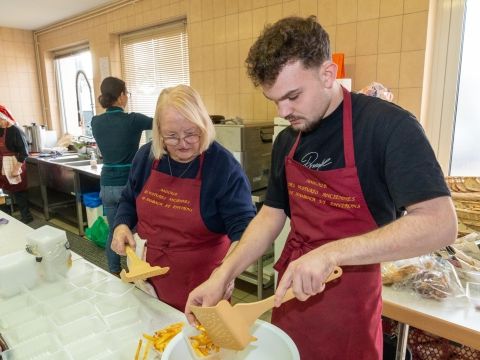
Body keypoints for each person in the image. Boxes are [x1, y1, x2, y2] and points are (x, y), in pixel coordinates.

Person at [185, 16, 457, 360]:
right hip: (291, 294)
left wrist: (330, 253)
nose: (284, 111)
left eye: (293, 96)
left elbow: (440, 223)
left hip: (350, 300)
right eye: (275, 100)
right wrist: (224, 273)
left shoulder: (387, 127)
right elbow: (271, 216)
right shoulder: (287, 140)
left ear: (328, 74)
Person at [110, 84, 256, 311]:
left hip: (203, 291)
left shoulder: (222, 167)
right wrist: (121, 225)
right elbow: (129, 198)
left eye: (191, 133)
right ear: (158, 132)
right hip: (147, 284)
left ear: (203, 125)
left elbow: (245, 230)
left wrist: (228, 272)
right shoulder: (146, 157)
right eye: (171, 136)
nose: (183, 144)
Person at [91, 76, 153, 275]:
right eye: (126, 93)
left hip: (107, 183)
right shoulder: (133, 120)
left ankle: (114, 272)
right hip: (129, 184)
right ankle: (135, 274)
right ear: (120, 97)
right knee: (133, 233)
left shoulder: (96, 121)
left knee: (114, 231)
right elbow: (161, 123)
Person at [0, 105, 33, 223]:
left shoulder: (16, 131)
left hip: (15, 162)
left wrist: (16, 168)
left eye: (0, 120)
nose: (0, 123)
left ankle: (26, 217)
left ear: (6, 118)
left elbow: (24, 153)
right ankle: (7, 216)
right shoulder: (1, 129)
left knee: (19, 191)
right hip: (3, 163)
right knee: (5, 191)